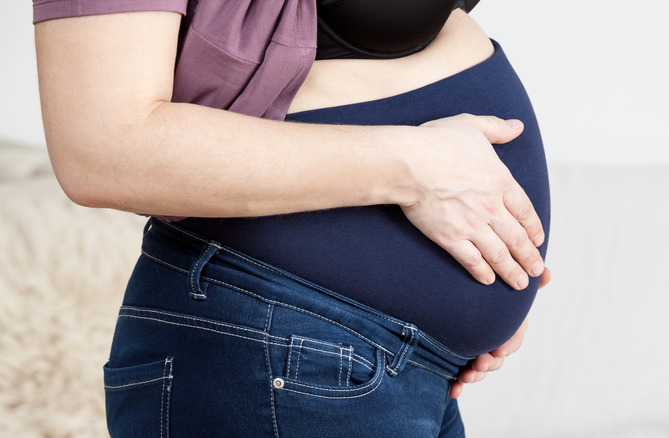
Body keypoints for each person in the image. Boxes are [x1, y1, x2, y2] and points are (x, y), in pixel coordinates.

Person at [33, 0, 551, 436]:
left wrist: (498, 245)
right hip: (280, 347)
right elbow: (100, 148)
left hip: (366, 363)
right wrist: (420, 170)